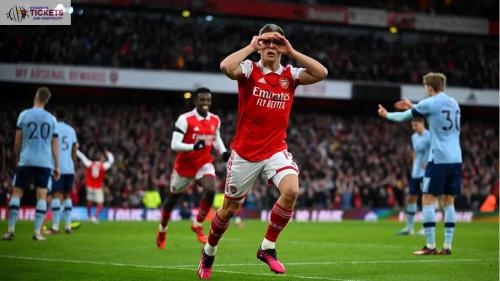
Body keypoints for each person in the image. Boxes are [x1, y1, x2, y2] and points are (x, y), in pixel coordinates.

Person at [198, 23, 328, 279]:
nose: (271, 47)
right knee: (228, 211)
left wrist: (291, 50)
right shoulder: (249, 69)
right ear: (259, 44)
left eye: (276, 42)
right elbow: (226, 67)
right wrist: (251, 46)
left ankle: (267, 247)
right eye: (266, 42)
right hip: (245, 154)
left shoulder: (289, 75)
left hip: (276, 149)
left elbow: (321, 73)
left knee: (291, 190)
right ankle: (209, 251)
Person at [378, 72, 461, 255]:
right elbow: (436, 114)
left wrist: (386, 115)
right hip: (456, 159)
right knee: (448, 201)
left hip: (438, 158)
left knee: (428, 199)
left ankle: (430, 245)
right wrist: (413, 105)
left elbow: (403, 117)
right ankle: (447, 246)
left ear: (430, 88)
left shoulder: (430, 102)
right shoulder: (453, 103)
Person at [156, 87, 230, 249]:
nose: (205, 103)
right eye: (202, 100)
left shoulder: (215, 120)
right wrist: (194, 147)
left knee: (211, 189)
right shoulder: (185, 119)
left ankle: (197, 224)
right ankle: (162, 228)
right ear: (195, 101)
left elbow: (216, 138)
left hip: (203, 163)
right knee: (172, 200)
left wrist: (223, 152)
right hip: (184, 166)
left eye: (208, 100)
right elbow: (174, 144)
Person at [2, 87, 60, 241]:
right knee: (41, 195)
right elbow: (55, 145)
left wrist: (17, 156)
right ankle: (37, 233)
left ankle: (10, 230)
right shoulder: (52, 119)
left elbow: (17, 140)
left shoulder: (24, 115)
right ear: (47, 100)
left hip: (26, 159)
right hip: (44, 161)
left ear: (35, 96)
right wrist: (57, 165)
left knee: (17, 192)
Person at [43, 108, 78, 234]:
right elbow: (74, 150)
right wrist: (74, 165)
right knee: (67, 195)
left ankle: (56, 227)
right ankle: (68, 227)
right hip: (69, 167)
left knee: (56, 195)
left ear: (55, 114)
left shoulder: (52, 128)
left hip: (57, 167)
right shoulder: (71, 130)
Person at [396, 118, 430, 236]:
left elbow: (436, 150)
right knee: (411, 198)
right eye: (412, 125)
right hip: (416, 173)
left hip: (426, 173)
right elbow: (414, 152)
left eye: (415, 125)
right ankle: (409, 228)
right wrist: (414, 165)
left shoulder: (430, 136)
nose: (413, 127)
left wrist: (431, 162)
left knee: (425, 199)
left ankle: (426, 228)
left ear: (422, 124)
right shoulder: (414, 137)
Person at [76, 149, 114, 223]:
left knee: (89, 202)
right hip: (97, 187)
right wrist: (109, 154)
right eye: (103, 158)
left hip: (89, 186)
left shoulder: (89, 163)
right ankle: (95, 217)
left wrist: (76, 150)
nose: (103, 159)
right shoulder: (103, 166)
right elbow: (111, 161)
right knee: (100, 202)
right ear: (100, 159)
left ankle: (89, 216)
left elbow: (82, 156)